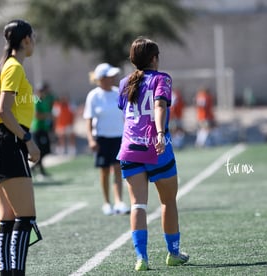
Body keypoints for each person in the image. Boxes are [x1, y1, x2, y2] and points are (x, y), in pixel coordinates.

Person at [117, 37, 189, 271]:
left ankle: (141, 259)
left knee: (137, 205)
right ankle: (173, 253)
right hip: (157, 148)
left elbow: (126, 115)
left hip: (129, 148)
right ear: (154, 58)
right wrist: (159, 133)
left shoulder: (124, 82)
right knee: (168, 202)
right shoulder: (162, 78)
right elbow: (159, 106)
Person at [0, 19, 41, 276]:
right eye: (33, 37)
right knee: (25, 217)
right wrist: (26, 140)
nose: (34, 43)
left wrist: (1, 140)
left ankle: (8, 273)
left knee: (7, 217)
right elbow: (2, 111)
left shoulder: (4, 67)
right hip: (9, 143)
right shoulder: (14, 67)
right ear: (26, 39)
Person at [83, 63, 130, 215]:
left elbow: (125, 116)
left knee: (117, 169)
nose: (113, 78)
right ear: (101, 79)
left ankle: (119, 201)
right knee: (104, 172)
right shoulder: (93, 96)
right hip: (102, 138)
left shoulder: (118, 92)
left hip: (119, 137)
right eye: (109, 76)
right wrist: (91, 139)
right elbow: (89, 120)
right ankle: (106, 203)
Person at [30, 83, 54, 177]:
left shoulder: (44, 101)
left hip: (44, 128)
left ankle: (36, 167)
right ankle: (40, 169)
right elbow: (36, 115)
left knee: (46, 149)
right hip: (37, 128)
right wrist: (48, 116)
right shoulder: (36, 100)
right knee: (40, 149)